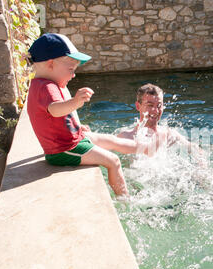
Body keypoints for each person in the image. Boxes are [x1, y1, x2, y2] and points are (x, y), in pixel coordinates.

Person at [27, 33, 155, 197]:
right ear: (51, 64)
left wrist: (76, 126)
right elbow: (55, 110)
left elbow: (52, 118)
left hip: (71, 139)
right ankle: (125, 200)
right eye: (71, 70)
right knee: (113, 161)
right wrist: (75, 102)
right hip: (63, 150)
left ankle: (146, 149)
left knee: (111, 140)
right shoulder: (46, 87)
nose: (74, 75)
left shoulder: (44, 84)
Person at [117, 83, 204, 160]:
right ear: (138, 106)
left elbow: (195, 149)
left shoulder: (168, 134)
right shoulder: (126, 137)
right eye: (150, 105)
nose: (155, 111)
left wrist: (201, 165)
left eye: (159, 105)